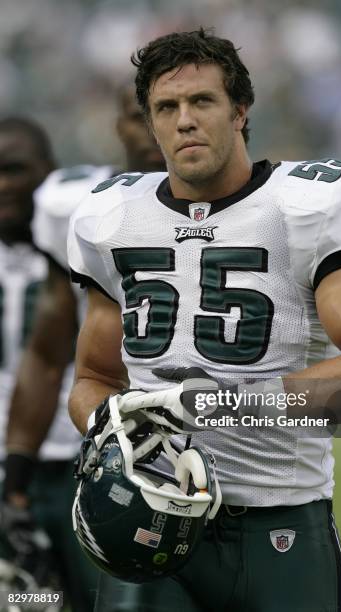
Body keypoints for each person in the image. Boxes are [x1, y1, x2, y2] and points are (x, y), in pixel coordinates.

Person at [67, 29, 341, 612]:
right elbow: (92, 379)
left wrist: (214, 404)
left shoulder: (304, 206)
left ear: (240, 111)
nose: (184, 121)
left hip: (278, 522)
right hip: (148, 521)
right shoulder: (113, 217)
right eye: (166, 107)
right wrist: (111, 427)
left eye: (202, 101)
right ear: (150, 123)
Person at [3, 89, 166, 611]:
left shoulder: (79, 208)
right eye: (138, 115)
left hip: (119, 460)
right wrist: (16, 474)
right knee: (35, 602)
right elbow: (48, 354)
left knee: (115, 601)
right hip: (40, 462)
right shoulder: (80, 214)